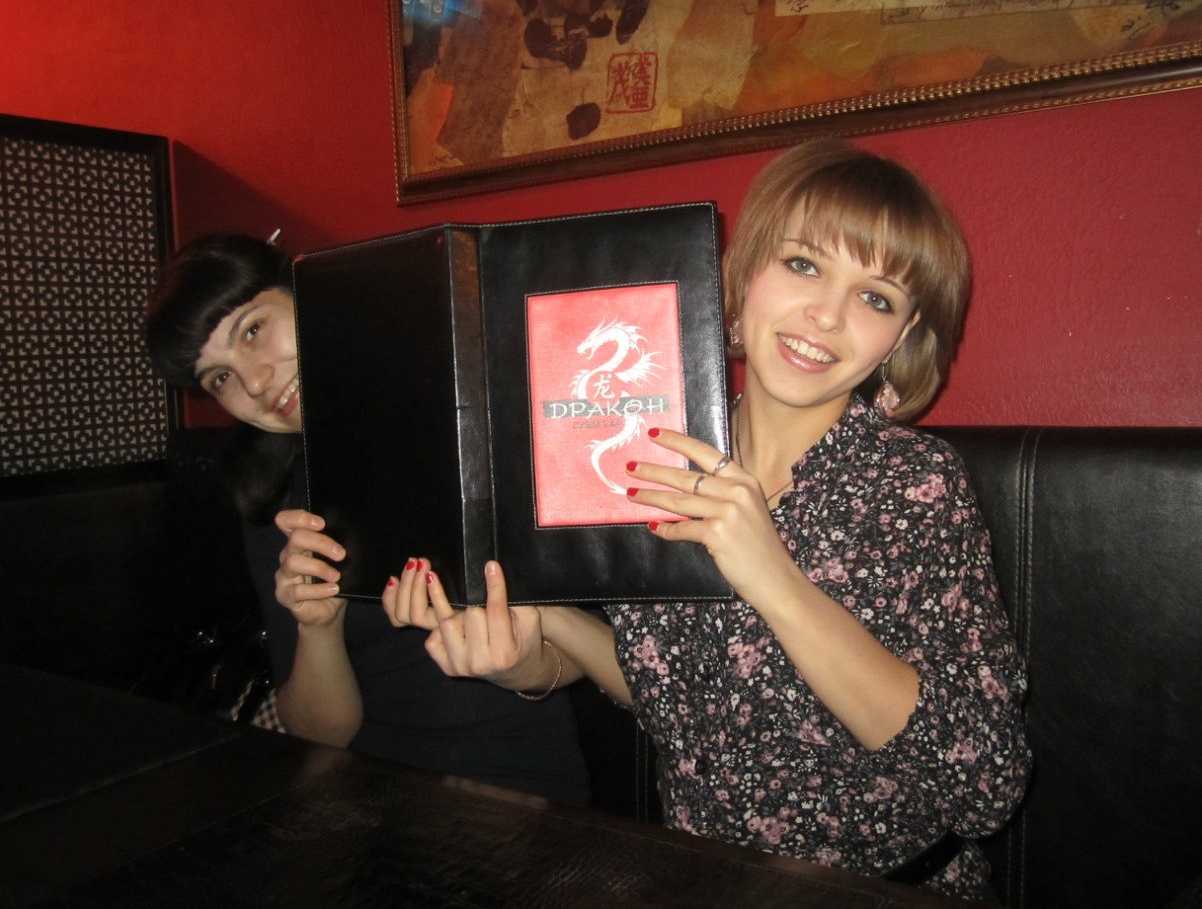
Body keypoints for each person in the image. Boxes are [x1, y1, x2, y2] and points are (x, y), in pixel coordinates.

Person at [382, 140, 1031, 899]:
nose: (827, 314)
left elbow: (984, 785)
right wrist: (539, 618)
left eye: (876, 298)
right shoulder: (651, 453)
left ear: (903, 335)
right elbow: (673, 688)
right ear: (745, 272)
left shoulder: (914, 485)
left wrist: (773, 577)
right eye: (803, 264)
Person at [144, 233, 590, 805]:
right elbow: (321, 734)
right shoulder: (275, 498)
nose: (254, 382)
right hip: (364, 796)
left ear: (307, 293)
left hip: (512, 780)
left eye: (253, 330)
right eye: (220, 378)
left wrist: (525, 661)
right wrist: (317, 627)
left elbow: (603, 649)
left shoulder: (474, 416)